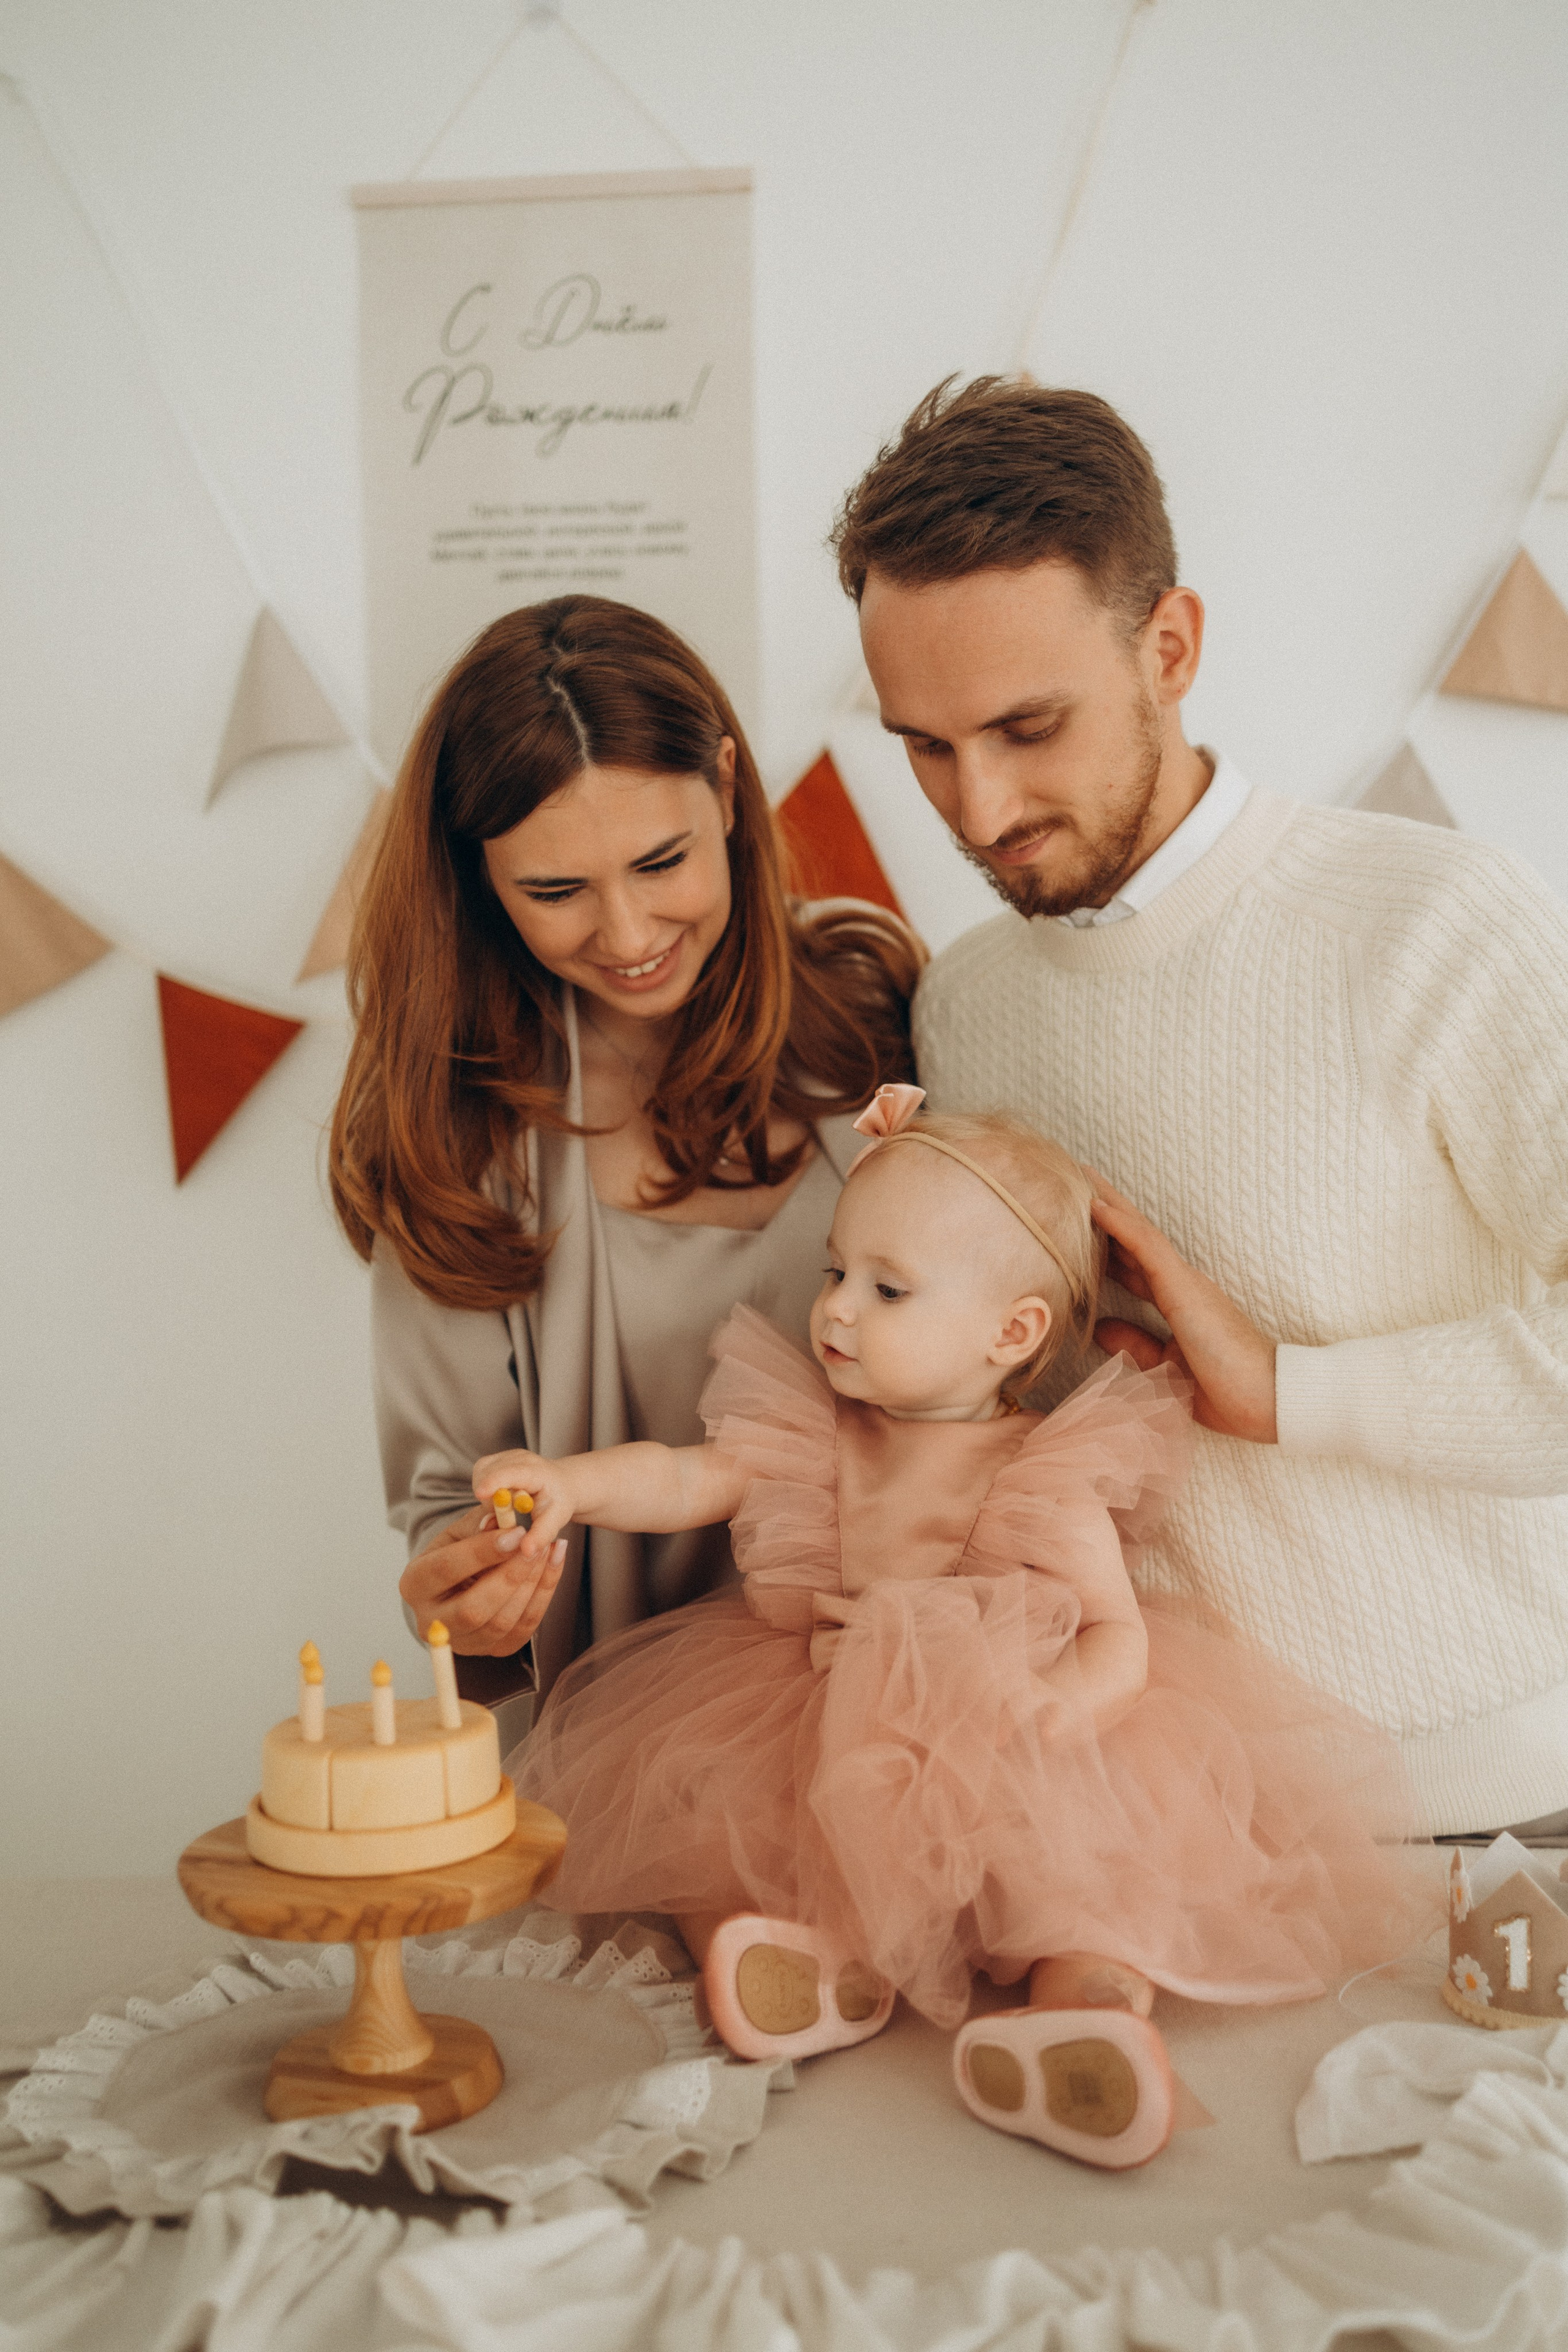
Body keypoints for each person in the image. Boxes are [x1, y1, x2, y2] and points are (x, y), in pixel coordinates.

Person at [830, 375, 1568, 1839]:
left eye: (1026, 726)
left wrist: (1287, 1392)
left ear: (1168, 646)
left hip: (1484, 1820)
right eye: (921, 743)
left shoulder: (1437, 924)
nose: (974, 811)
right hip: (1133, 1831)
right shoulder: (965, 1001)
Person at [480, 1088, 1427, 2171]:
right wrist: (566, 1484)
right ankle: (810, 1971)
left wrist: (1064, 1704)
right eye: (838, 1272)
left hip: (1010, 1731)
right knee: (716, 1833)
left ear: (1012, 1334)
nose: (835, 1309)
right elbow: (684, 1477)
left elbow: (1118, 1629)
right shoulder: (808, 1427)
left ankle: (1085, 2016)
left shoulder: (1043, 1470)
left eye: (888, 1289)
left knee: (1093, 1875)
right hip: (812, 1720)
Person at [328, 595, 922, 1703]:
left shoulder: (881, 1010)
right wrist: (472, 1592)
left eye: (662, 862)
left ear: (730, 791)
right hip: (632, 1739)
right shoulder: (465, 1136)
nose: (632, 936)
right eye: (556, 892)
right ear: (480, 881)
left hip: (903, 1705)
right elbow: (455, 1511)